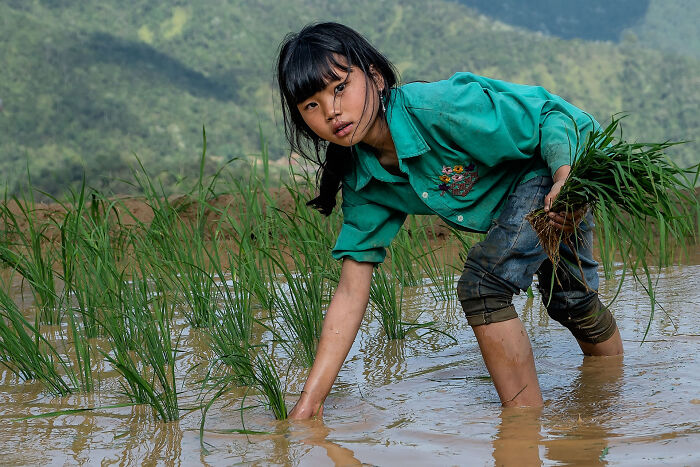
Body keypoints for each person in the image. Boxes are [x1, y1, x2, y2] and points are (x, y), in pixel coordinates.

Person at [275, 22, 623, 420]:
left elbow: (552, 116)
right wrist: (309, 404)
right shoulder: (364, 178)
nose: (332, 111)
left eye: (340, 88)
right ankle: (611, 393)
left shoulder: (440, 108)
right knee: (571, 302)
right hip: (538, 188)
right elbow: (352, 291)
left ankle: (523, 426)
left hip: (557, 165)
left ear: (374, 76)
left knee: (486, 288)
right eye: (311, 106)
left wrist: (567, 179)